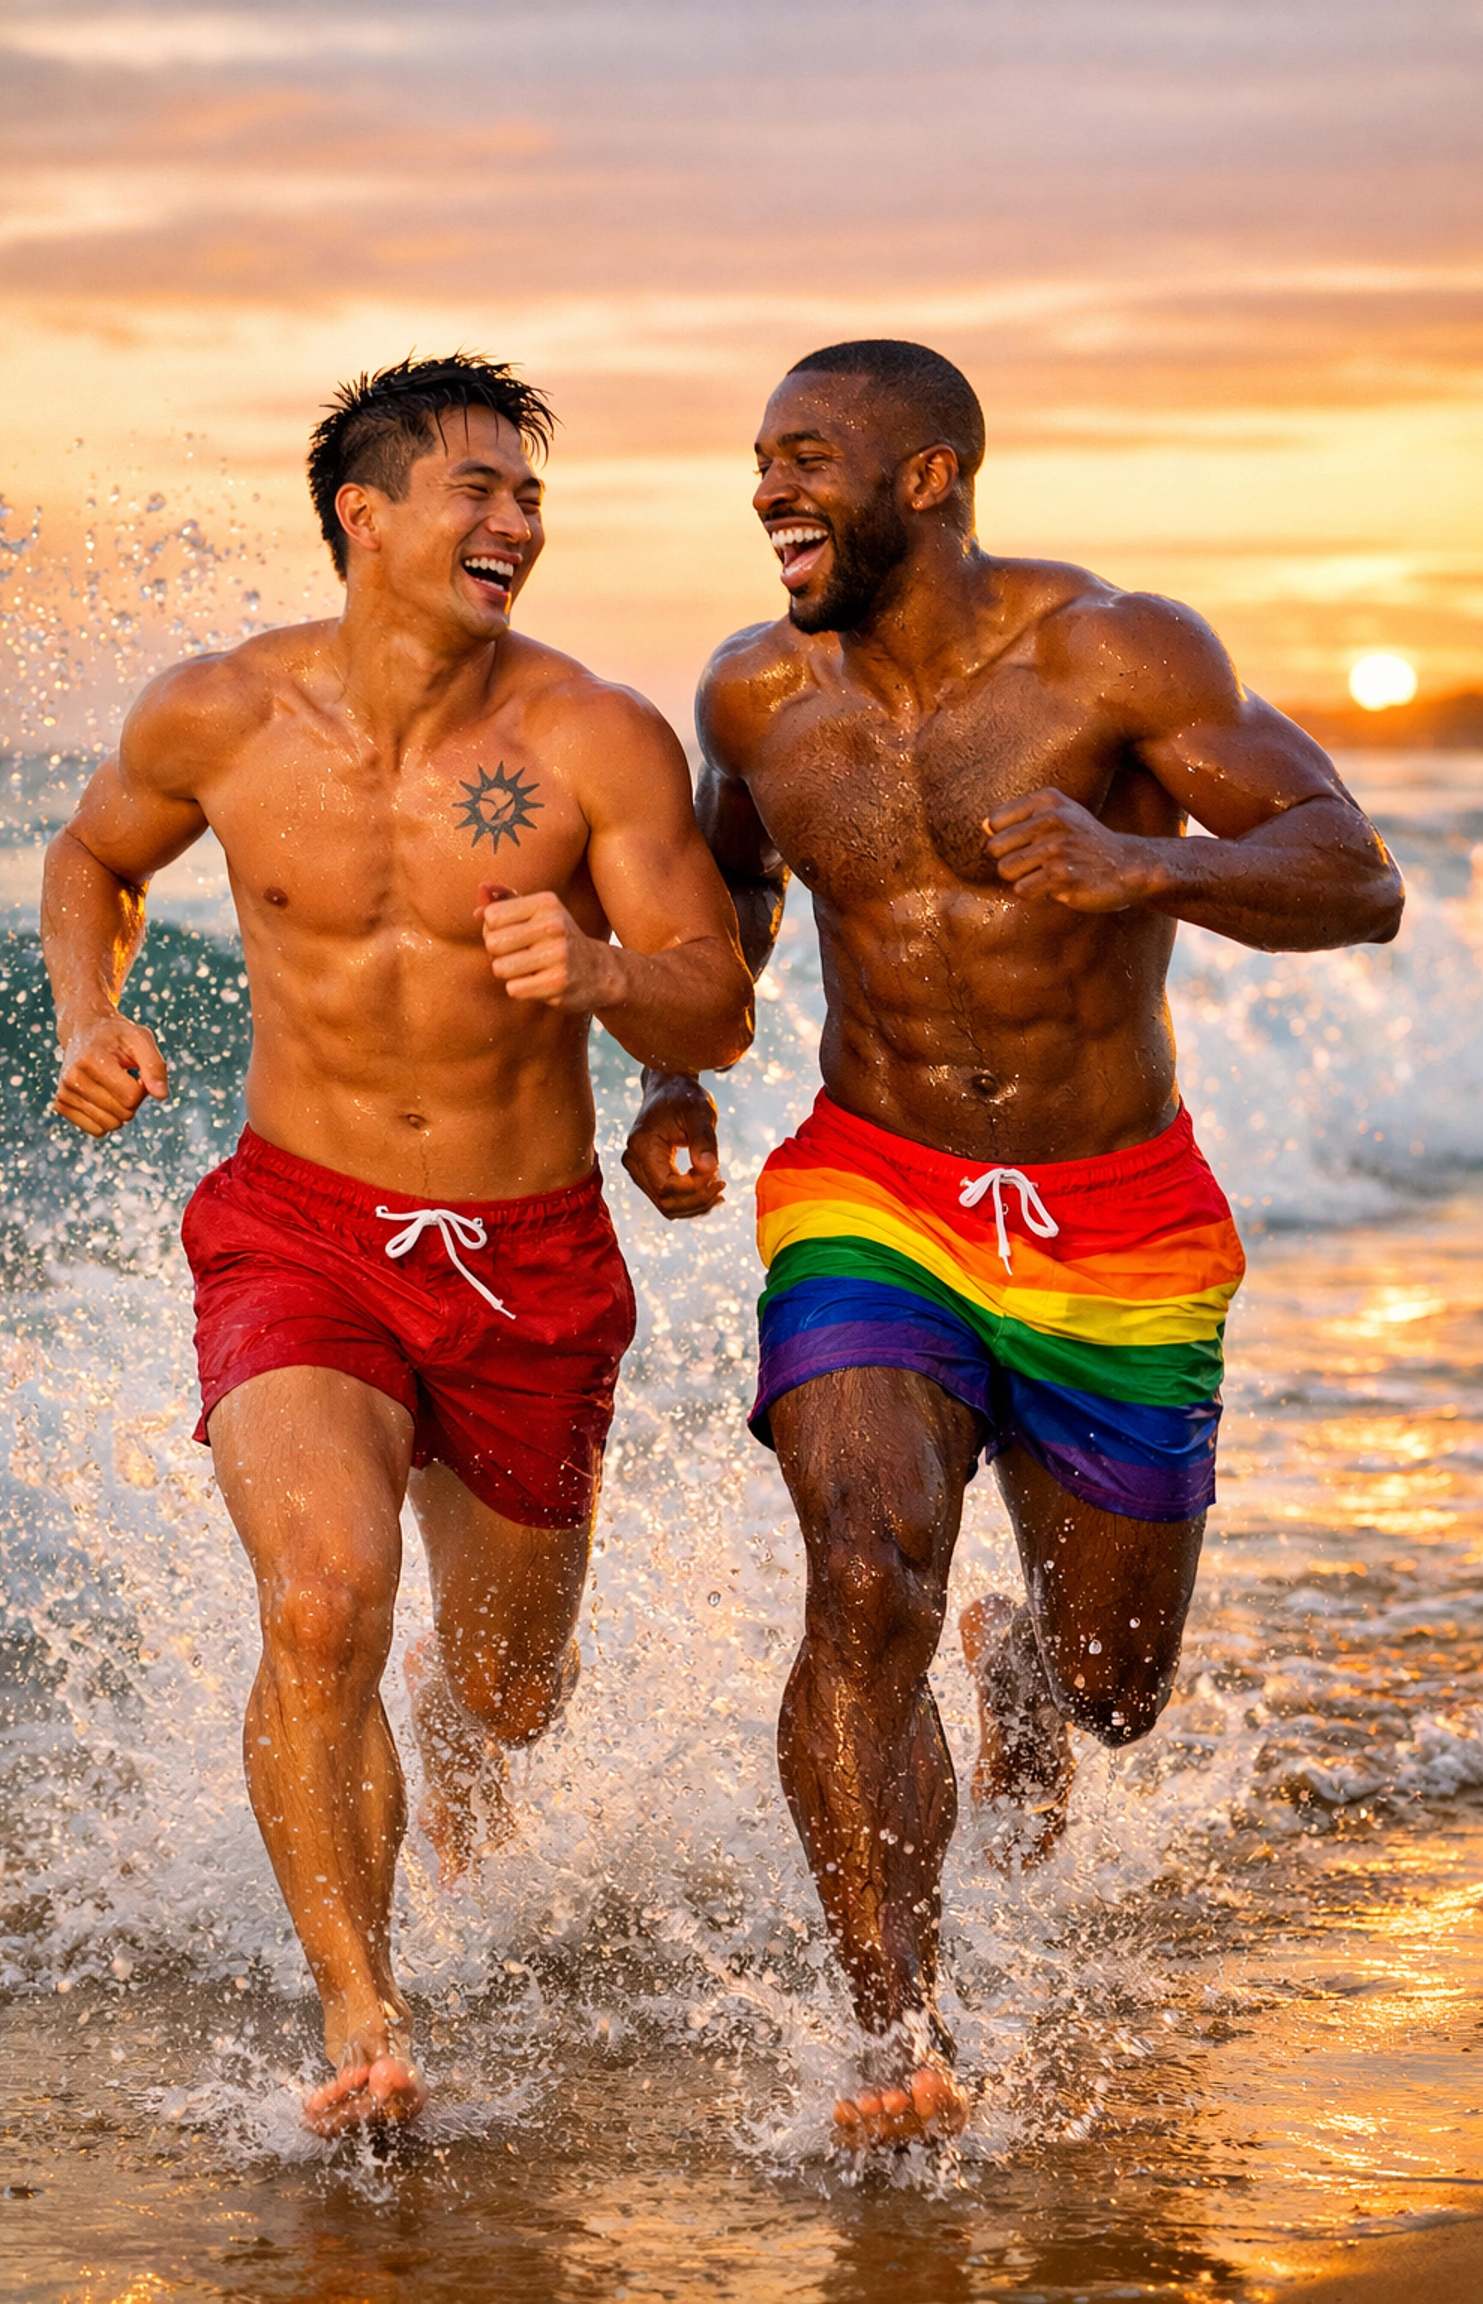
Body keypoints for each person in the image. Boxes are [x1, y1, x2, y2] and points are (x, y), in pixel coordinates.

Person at [624, 338, 1403, 2149]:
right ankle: (895, 2031)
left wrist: (1155, 869)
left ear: (929, 478)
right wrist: (674, 1071)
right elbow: (724, 894)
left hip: (1115, 1215)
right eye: (757, 460)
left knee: (1117, 1692)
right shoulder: (753, 695)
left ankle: (1027, 1683)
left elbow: (1353, 874)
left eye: (805, 457)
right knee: (861, 1568)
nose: (767, 491)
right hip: (871, 1186)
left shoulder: (1118, 654)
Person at [41, 353, 752, 2135]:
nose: (514, 521)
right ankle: (361, 2012)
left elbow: (716, 994)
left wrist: (603, 980)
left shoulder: (591, 737)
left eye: (527, 495)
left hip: (529, 1256)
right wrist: (86, 1012)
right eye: (477, 489)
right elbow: (91, 856)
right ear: (366, 515)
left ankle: (458, 1802)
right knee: (323, 1594)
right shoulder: (218, 713)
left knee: (508, 1693)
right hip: (303, 1228)